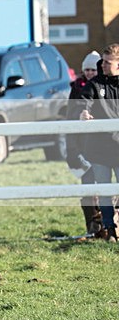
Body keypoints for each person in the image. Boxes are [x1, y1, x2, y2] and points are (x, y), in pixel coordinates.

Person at [78, 44, 119, 242]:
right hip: (99, 149)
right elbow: (85, 101)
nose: (103, 65)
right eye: (102, 61)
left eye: (108, 62)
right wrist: (84, 112)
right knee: (103, 190)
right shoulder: (95, 84)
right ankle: (109, 229)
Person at [65, 51, 103, 235]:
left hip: (104, 145)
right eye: (87, 69)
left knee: (106, 187)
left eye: (93, 69)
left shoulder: (105, 87)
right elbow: (70, 115)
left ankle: (109, 227)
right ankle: (92, 228)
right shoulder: (76, 89)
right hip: (83, 146)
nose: (89, 73)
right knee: (88, 187)